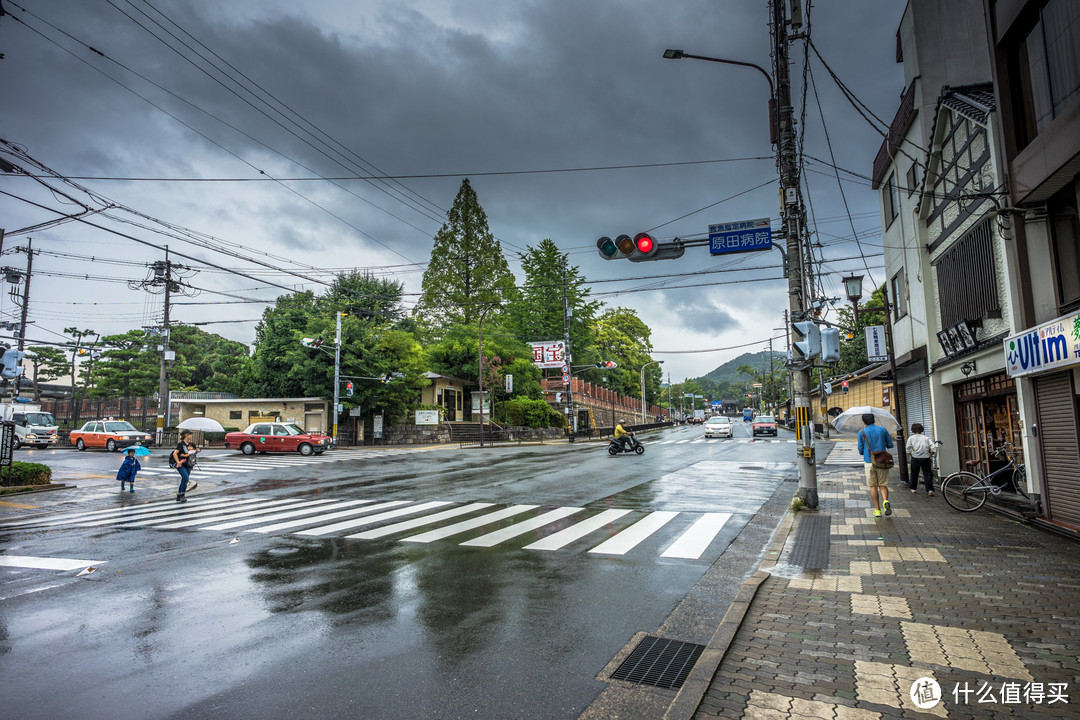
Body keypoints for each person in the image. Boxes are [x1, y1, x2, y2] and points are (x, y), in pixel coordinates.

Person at [857, 414, 895, 517]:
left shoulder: (862, 432)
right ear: (874, 420)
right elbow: (891, 444)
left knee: (873, 486)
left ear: (864, 422)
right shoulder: (882, 430)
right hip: (882, 461)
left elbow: (860, 449)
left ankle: (877, 510)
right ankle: (885, 500)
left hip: (869, 461)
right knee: (883, 484)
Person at [906, 423, 935, 496]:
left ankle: (913, 488)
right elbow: (933, 446)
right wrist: (931, 453)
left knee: (914, 473)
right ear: (921, 429)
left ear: (912, 430)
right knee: (927, 473)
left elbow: (908, 448)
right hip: (925, 458)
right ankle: (930, 490)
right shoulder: (926, 438)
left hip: (915, 457)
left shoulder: (911, 438)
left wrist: (910, 454)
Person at [172, 430, 199, 503]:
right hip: (181, 464)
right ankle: (182, 495)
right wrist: (178, 462)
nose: (191, 436)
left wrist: (196, 451)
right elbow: (175, 453)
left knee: (185, 480)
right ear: (186, 435)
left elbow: (192, 453)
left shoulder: (190, 444)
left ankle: (179, 495)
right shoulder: (181, 444)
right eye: (190, 434)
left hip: (189, 464)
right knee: (185, 478)